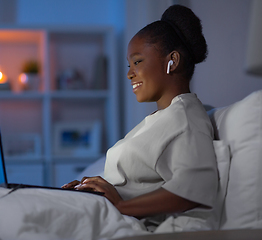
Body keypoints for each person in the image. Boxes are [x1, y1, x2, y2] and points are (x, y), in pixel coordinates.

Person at [63, 4, 218, 230]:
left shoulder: (186, 118)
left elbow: (194, 189)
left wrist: (120, 205)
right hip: (107, 213)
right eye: (130, 64)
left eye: (137, 62)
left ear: (171, 61)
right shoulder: (164, 117)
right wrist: (90, 191)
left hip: (124, 221)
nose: (129, 73)